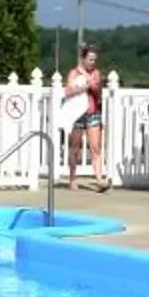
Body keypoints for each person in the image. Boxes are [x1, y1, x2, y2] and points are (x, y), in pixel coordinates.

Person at [63, 45, 108, 189]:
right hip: (77, 114)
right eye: (90, 59)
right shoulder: (73, 73)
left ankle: (99, 179)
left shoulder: (96, 73)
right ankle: (72, 178)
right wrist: (84, 86)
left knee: (95, 146)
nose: (92, 62)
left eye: (94, 60)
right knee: (75, 147)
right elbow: (68, 91)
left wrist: (87, 77)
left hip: (92, 112)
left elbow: (96, 89)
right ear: (83, 59)